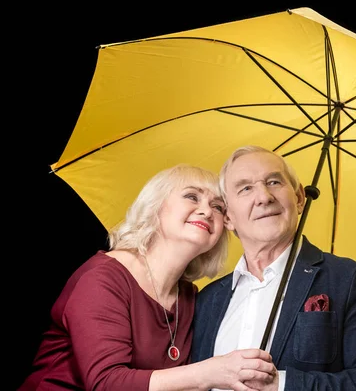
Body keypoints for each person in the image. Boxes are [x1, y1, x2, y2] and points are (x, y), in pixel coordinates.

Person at [19, 164, 276, 391]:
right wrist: (211, 373)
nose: (207, 212)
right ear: (155, 207)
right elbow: (106, 383)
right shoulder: (102, 278)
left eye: (218, 207)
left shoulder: (190, 297)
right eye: (191, 196)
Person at [191, 146, 356, 390]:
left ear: (299, 199)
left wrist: (281, 384)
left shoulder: (349, 279)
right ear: (228, 217)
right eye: (245, 188)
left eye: (273, 182)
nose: (264, 197)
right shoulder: (206, 300)